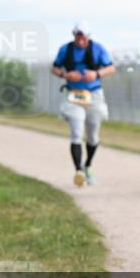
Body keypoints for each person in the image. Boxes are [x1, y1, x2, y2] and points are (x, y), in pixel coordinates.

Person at [51, 22, 116, 187]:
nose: (80, 40)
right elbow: (54, 68)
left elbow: (111, 68)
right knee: (77, 132)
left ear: (88, 36)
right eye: (77, 36)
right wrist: (65, 75)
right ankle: (78, 171)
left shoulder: (98, 49)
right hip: (74, 95)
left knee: (93, 136)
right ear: (74, 35)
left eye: (83, 37)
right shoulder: (65, 49)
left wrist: (96, 74)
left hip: (94, 95)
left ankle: (88, 165)